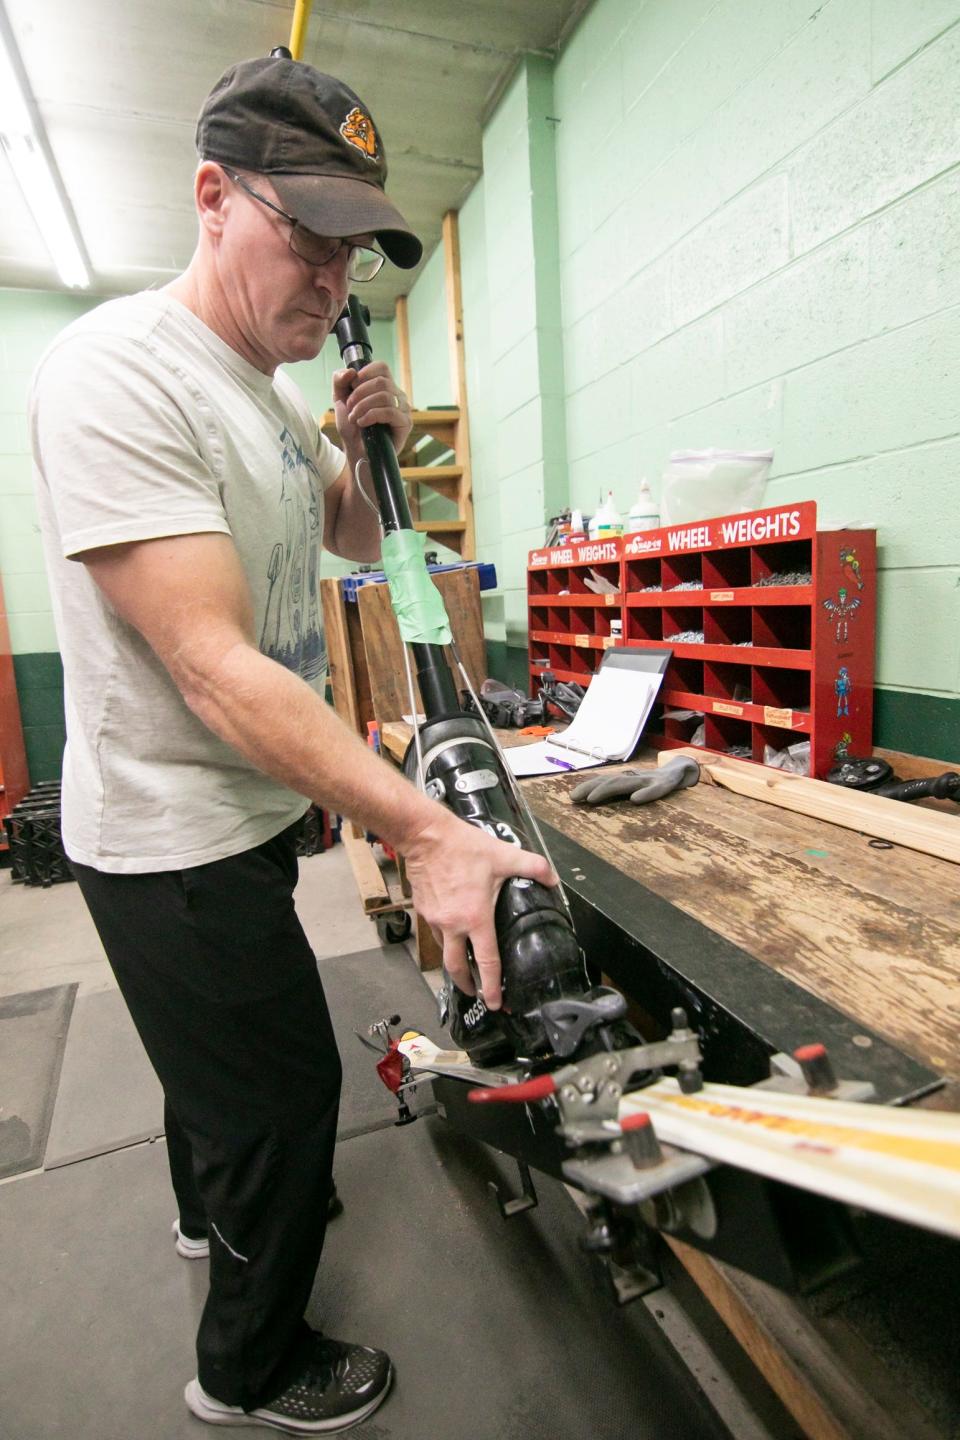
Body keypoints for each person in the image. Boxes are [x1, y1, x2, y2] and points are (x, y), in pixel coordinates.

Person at [29, 56, 555, 1435]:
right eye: (300, 231)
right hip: (168, 832)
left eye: (349, 247)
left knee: (215, 1073)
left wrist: (355, 449)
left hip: (245, 815)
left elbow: (356, 546)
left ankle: (217, 1217)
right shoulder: (117, 373)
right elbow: (209, 665)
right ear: (212, 197)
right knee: (280, 1099)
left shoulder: (263, 391)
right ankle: (247, 1370)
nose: (328, 274)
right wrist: (427, 826)